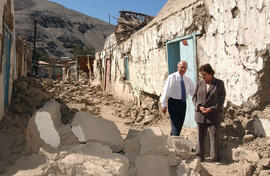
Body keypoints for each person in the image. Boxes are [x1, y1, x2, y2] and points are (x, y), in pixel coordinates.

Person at [192, 63, 226, 162]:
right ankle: (199, 156)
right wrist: (199, 106)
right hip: (200, 114)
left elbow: (221, 98)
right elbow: (194, 97)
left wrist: (212, 108)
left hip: (214, 115)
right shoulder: (199, 83)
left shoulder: (219, 83)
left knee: (214, 137)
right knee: (200, 137)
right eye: (201, 75)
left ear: (211, 73)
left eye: (205, 75)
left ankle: (214, 158)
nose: (203, 77)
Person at [160, 60, 195, 136]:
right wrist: (164, 105)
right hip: (173, 103)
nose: (183, 70)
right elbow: (166, 91)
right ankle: (175, 143)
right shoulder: (171, 77)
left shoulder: (188, 80)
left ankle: (172, 140)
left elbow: (193, 93)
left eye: (185, 68)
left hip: (183, 104)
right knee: (175, 124)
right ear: (178, 67)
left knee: (180, 124)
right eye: (182, 67)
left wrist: (199, 103)